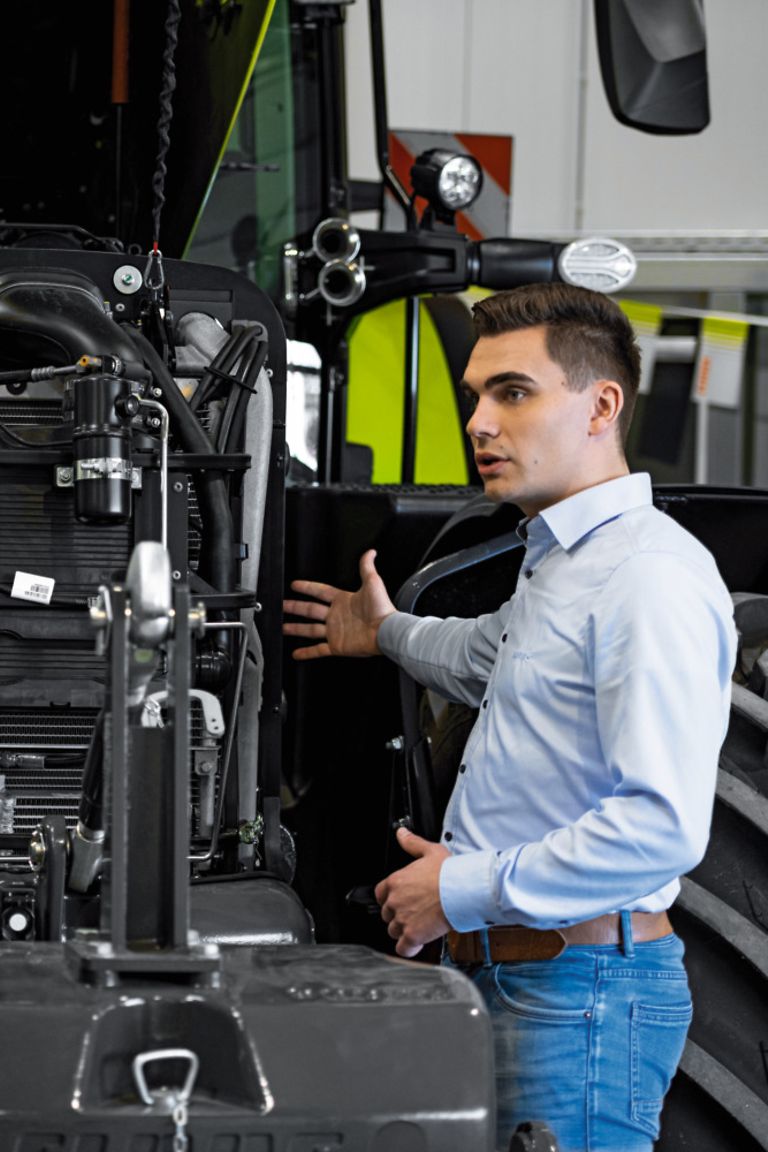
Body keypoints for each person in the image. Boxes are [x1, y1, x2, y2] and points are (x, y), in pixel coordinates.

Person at [282, 283, 737, 1152]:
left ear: (602, 404)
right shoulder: (562, 563)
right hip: (515, 976)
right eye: (475, 397)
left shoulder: (649, 578)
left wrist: (456, 888)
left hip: (581, 993)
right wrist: (382, 632)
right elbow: (486, 655)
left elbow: (659, 827)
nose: (481, 423)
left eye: (513, 393)